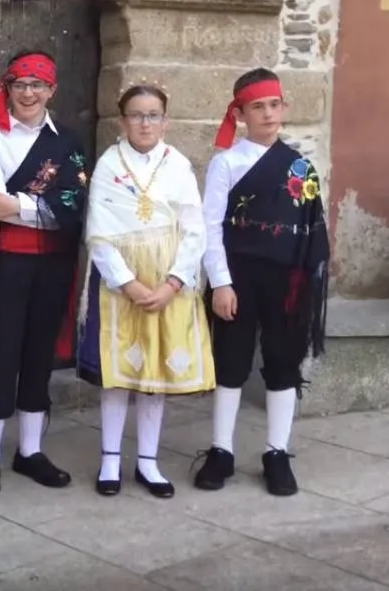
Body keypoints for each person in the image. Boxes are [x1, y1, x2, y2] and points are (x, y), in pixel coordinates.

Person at [194, 68, 330, 497]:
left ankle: (277, 452)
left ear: (284, 107)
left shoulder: (301, 167)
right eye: (258, 107)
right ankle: (221, 450)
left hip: (287, 280)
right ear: (240, 113)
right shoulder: (226, 163)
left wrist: (308, 280)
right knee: (230, 361)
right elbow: (210, 226)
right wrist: (221, 283)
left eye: (274, 105)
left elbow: (310, 228)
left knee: (282, 362)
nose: (268, 114)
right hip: (238, 279)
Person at [76, 84, 216, 499]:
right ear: (122, 121)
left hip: (168, 283)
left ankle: (148, 462)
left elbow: (194, 229)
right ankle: (110, 460)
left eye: (153, 115)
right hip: (122, 286)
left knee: (155, 375)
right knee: (119, 374)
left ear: (165, 121)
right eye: (136, 115)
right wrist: (128, 283)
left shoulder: (178, 165)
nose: (145, 123)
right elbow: (99, 232)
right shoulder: (108, 165)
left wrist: (174, 282)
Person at [0, 50, 88, 497]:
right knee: (2, 353)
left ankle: (30, 451)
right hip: (8, 260)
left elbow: (73, 205)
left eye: (37, 85)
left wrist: (18, 205)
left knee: (40, 353)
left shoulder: (68, 143)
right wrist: (38, 208)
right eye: (20, 84)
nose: (28, 93)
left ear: (51, 90)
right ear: (8, 88)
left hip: (54, 262)